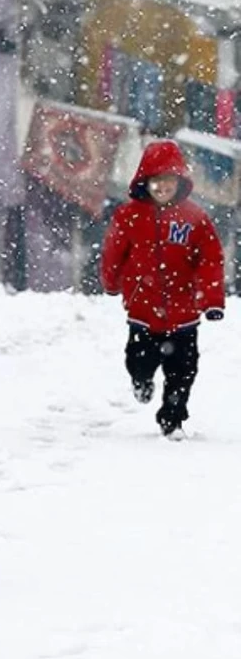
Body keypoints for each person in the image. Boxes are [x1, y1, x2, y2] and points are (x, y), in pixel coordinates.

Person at [100, 139, 224, 439]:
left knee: (183, 371)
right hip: (143, 309)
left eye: (168, 180)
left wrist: (211, 300)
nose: (162, 187)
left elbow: (210, 260)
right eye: (156, 181)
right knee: (138, 360)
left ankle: (173, 419)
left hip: (184, 314)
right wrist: (111, 281)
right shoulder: (128, 216)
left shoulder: (196, 219)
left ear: (179, 182)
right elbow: (114, 252)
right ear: (146, 182)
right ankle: (141, 381)